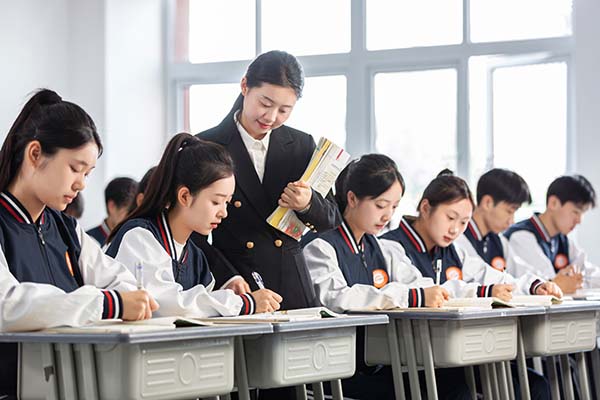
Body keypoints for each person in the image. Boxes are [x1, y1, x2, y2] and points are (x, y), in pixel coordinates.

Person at [0, 89, 157, 396]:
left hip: (74, 386)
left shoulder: (67, 229)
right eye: (75, 168)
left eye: (88, 173)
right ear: (35, 154)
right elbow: (8, 306)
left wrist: (114, 302)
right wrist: (107, 304)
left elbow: (123, 283)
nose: (81, 184)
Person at [193, 50, 341, 311]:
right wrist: (227, 276)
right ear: (244, 86)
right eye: (265, 103)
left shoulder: (301, 144)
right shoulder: (206, 144)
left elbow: (331, 218)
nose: (271, 117)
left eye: (284, 110)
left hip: (292, 282)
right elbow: (191, 230)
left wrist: (307, 203)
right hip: (238, 281)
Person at [106, 133, 282, 317]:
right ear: (184, 196)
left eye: (227, 202)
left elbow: (204, 313)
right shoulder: (139, 237)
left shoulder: (196, 258)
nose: (223, 213)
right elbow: (167, 305)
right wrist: (245, 303)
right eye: (216, 202)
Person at [505, 175, 600, 293]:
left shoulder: (563, 240)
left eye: (582, 214)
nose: (579, 221)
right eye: (575, 212)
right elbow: (546, 282)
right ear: (553, 203)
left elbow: (587, 272)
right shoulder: (521, 236)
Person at [86, 177, 138, 245]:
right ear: (112, 206)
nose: (133, 219)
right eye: (129, 213)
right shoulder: (88, 242)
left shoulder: (135, 240)